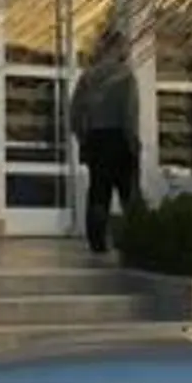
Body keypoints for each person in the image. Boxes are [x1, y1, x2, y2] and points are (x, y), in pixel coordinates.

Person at [68, 26, 140, 254]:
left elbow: (75, 113)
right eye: (125, 46)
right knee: (128, 191)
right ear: (117, 47)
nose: (127, 51)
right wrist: (133, 142)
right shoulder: (125, 76)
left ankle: (97, 240)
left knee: (99, 190)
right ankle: (135, 237)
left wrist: (84, 138)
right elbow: (129, 113)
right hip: (118, 137)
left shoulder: (88, 77)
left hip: (96, 139)